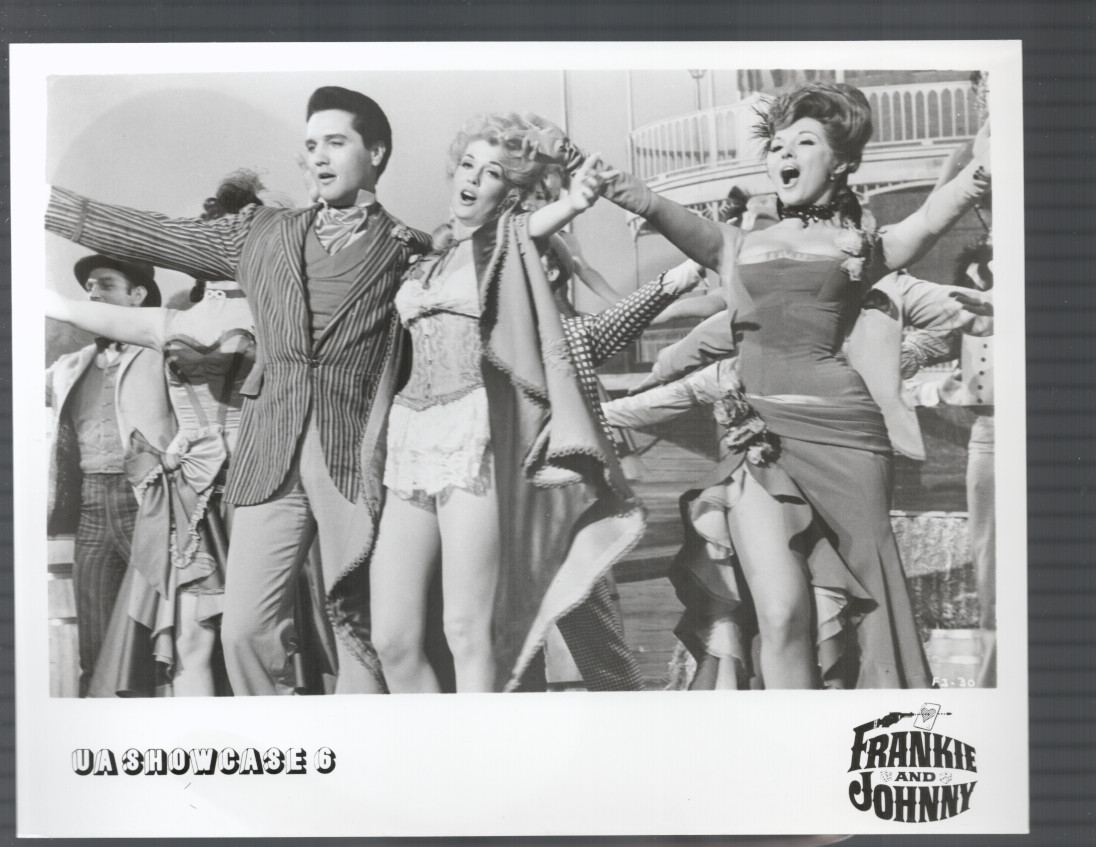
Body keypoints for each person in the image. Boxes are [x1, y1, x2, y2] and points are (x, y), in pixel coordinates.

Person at [543, 82, 991, 688]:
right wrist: (578, 160)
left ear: (843, 161)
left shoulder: (865, 247)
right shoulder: (736, 243)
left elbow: (935, 215)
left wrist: (982, 165)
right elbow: (649, 203)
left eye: (804, 142)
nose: (784, 153)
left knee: (864, 610)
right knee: (779, 613)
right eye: (777, 145)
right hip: (760, 443)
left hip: (849, 444)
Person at [45, 86, 433, 695]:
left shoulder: (410, 250)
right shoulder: (261, 232)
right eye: (311, 145)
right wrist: (39, 201)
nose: (320, 156)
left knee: (355, 624)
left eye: (336, 142)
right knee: (242, 632)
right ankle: (279, 740)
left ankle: (358, 740)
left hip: (354, 457)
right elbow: (150, 234)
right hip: (267, 454)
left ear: (377, 152)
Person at [368, 113, 703, 692]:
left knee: (467, 630)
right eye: (468, 164)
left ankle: (491, 746)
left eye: (493, 172)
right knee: (392, 640)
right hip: (409, 439)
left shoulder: (504, 245)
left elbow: (537, 232)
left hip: (473, 438)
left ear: (510, 195)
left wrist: (575, 200)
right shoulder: (426, 259)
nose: (473, 178)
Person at [605, 270, 994, 690]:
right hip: (771, 469)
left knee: (847, 594)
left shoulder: (873, 316)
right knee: (780, 607)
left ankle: (842, 689)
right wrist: (608, 401)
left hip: (848, 467)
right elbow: (686, 360)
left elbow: (952, 322)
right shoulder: (744, 345)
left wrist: (898, 352)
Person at [46, 255, 171, 696]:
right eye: (89, 288)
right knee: (95, 651)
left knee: (155, 642)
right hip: (91, 511)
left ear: (137, 296)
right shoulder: (72, 364)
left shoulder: (162, 354)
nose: (93, 294)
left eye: (106, 285)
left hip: (148, 505)